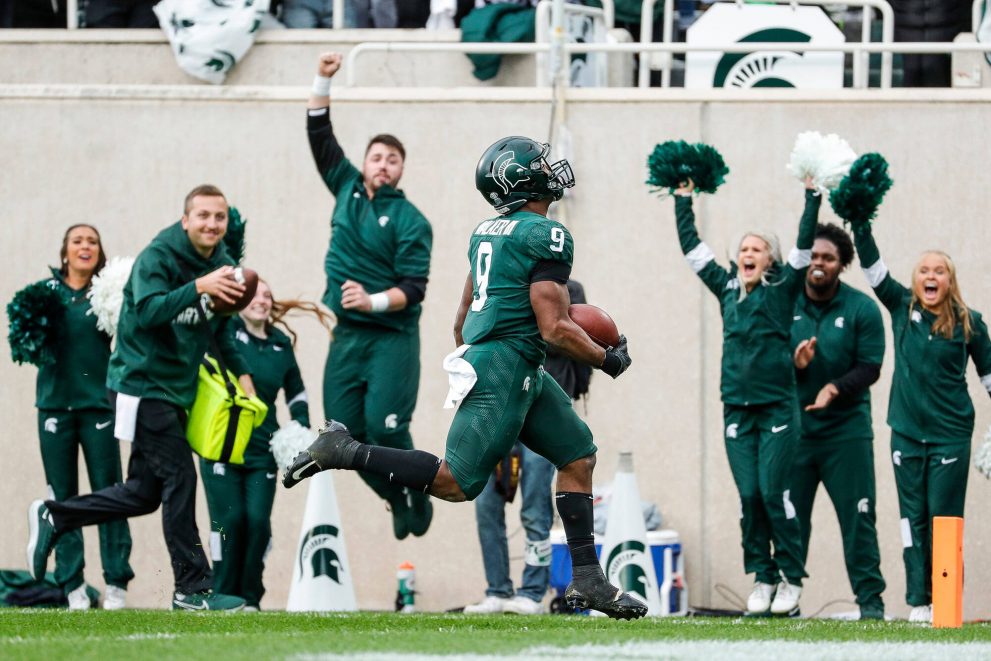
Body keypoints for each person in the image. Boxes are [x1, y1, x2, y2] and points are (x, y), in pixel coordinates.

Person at [285, 135, 645, 620]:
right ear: (520, 179)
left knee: (578, 455)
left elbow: (461, 316)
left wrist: (480, 363)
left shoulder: (486, 231)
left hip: (510, 361)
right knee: (457, 483)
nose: (550, 168)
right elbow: (556, 327)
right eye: (539, 164)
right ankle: (344, 450)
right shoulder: (547, 234)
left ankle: (587, 579)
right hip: (510, 363)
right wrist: (608, 359)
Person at [26, 184, 255, 611]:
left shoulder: (221, 264)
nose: (211, 224)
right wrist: (199, 286)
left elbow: (218, 328)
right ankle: (192, 588)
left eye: (219, 217)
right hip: (139, 385)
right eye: (202, 216)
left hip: (174, 391)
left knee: (143, 494)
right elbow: (148, 311)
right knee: (181, 478)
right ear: (185, 219)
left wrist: (242, 374)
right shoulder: (159, 256)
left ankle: (55, 515)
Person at [672, 176, 819, 616]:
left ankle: (791, 578)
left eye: (757, 249)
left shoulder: (782, 288)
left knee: (773, 492)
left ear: (770, 259)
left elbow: (803, 249)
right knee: (750, 495)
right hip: (736, 408)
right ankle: (763, 575)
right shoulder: (727, 288)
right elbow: (694, 250)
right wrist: (683, 200)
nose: (748, 254)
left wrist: (812, 198)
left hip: (777, 407)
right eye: (744, 248)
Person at [306, 52, 434, 540]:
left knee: (386, 431)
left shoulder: (412, 220)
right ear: (363, 164)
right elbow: (319, 134)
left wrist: (374, 301)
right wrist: (323, 77)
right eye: (376, 157)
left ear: (401, 170)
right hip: (346, 336)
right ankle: (396, 497)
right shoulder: (345, 189)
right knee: (340, 437)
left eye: (393, 159)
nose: (383, 165)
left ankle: (419, 491)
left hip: (391, 338)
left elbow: (415, 289)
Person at [851, 220, 991, 623]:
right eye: (924, 271)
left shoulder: (971, 322)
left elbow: (989, 376)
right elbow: (874, 270)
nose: (931, 276)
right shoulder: (901, 306)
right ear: (915, 281)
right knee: (912, 519)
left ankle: (945, 602)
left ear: (950, 281)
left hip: (950, 437)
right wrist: (861, 222)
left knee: (943, 517)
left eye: (939, 271)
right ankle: (919, 601)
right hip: (906, 435)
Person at [18, 225, 134, 610]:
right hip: (54, 409)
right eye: (77, 241)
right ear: (65, 251)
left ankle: (116, 582)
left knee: (110, 493)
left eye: (93, 241)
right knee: (61, 497)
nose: (85, 246)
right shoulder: (42, 294)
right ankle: (73, 586)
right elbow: (24, 341)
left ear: (100, 252)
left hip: (98, 408)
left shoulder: (110, 293)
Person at [200, 278, 330, 610]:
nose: (262, 300)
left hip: (262, 450)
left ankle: (250, 597)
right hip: (222, 446)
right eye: (255, 294)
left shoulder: (280, 343)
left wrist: (299, 428)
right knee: (229, 521)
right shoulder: (224, 331)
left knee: (257, 521)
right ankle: (221, 593)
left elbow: (297, 392)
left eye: (267, 295)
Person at [464, 279, 591, 615]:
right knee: (486, 504)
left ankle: (533, 591)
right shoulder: (500, 286)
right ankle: (497, 590)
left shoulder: (568, 290)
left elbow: (566, 339)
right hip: (500, 407)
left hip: (540, 413)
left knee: (535, 507)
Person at [789, 223, 886, 621]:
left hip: (847, 432)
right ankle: (785, 600)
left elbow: (871, 366)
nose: (818, 263)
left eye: (827, 257)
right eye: (812, 256)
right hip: (795, 433)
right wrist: (793, 365)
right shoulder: (785, 303)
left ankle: (871, 604)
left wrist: (834, 388)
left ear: (841, 264)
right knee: (791, 521)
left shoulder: (862, 307)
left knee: (858, 519)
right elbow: (764, 357)